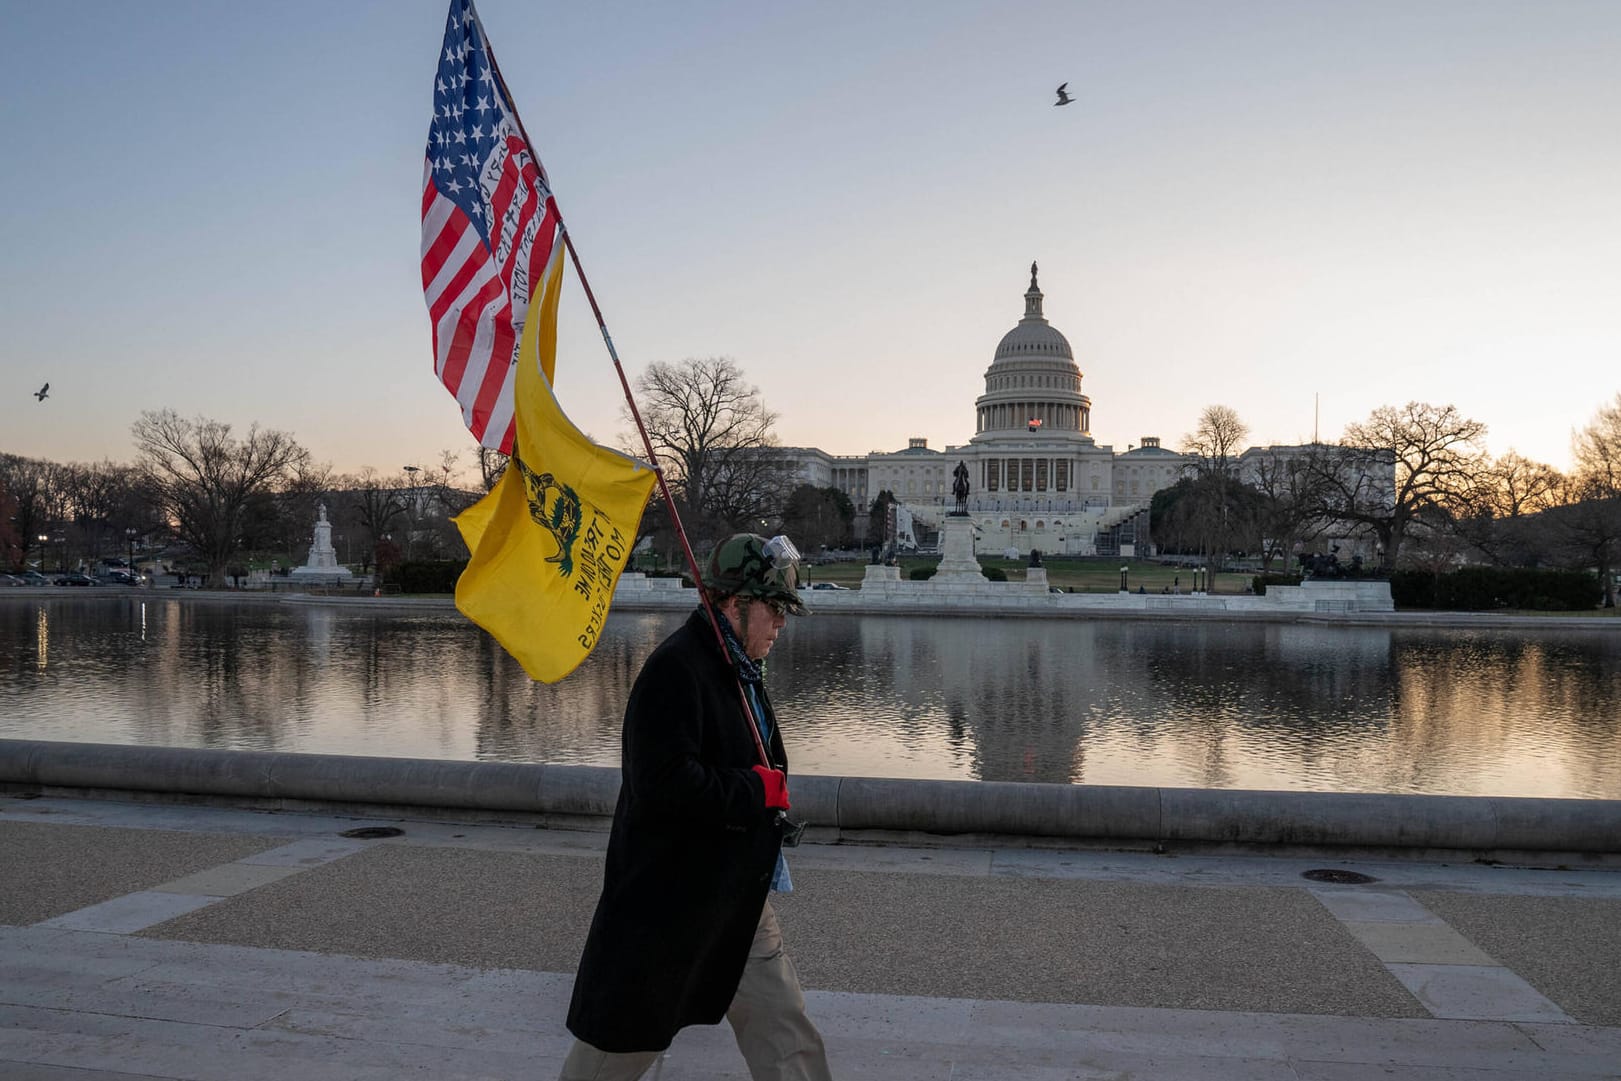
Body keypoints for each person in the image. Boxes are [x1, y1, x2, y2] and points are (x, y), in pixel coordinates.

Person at [559, 533, 832, 1081]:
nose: (781, 623)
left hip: (737, 896)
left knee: (785, 1033)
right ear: (735, 603)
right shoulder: (675, 670)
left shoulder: (738, 667)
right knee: (618, 1049)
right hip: (673, 903)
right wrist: (756, 792)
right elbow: (661, 784)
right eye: (774, 609)